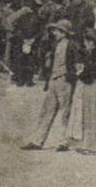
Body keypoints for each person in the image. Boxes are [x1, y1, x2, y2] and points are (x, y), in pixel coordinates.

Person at [22, 19, 77, 151]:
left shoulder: (72, 45)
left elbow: (77, 63)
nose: (54, 33)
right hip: (53, 80)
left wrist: (72, 76)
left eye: (57, 30)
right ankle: (37, 141)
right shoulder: (53, 45)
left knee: (65, 111)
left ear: (64, 33)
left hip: (65, 79)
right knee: (47, 110)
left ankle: (63, 142)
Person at [67, 28, 96, 155]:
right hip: (86, 84)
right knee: (86, 114)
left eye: (90, 41)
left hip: (95, 84)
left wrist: (83, 72)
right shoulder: (84, 53)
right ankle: (88, 144)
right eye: (86, 41)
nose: (87, 44)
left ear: (94, 42)